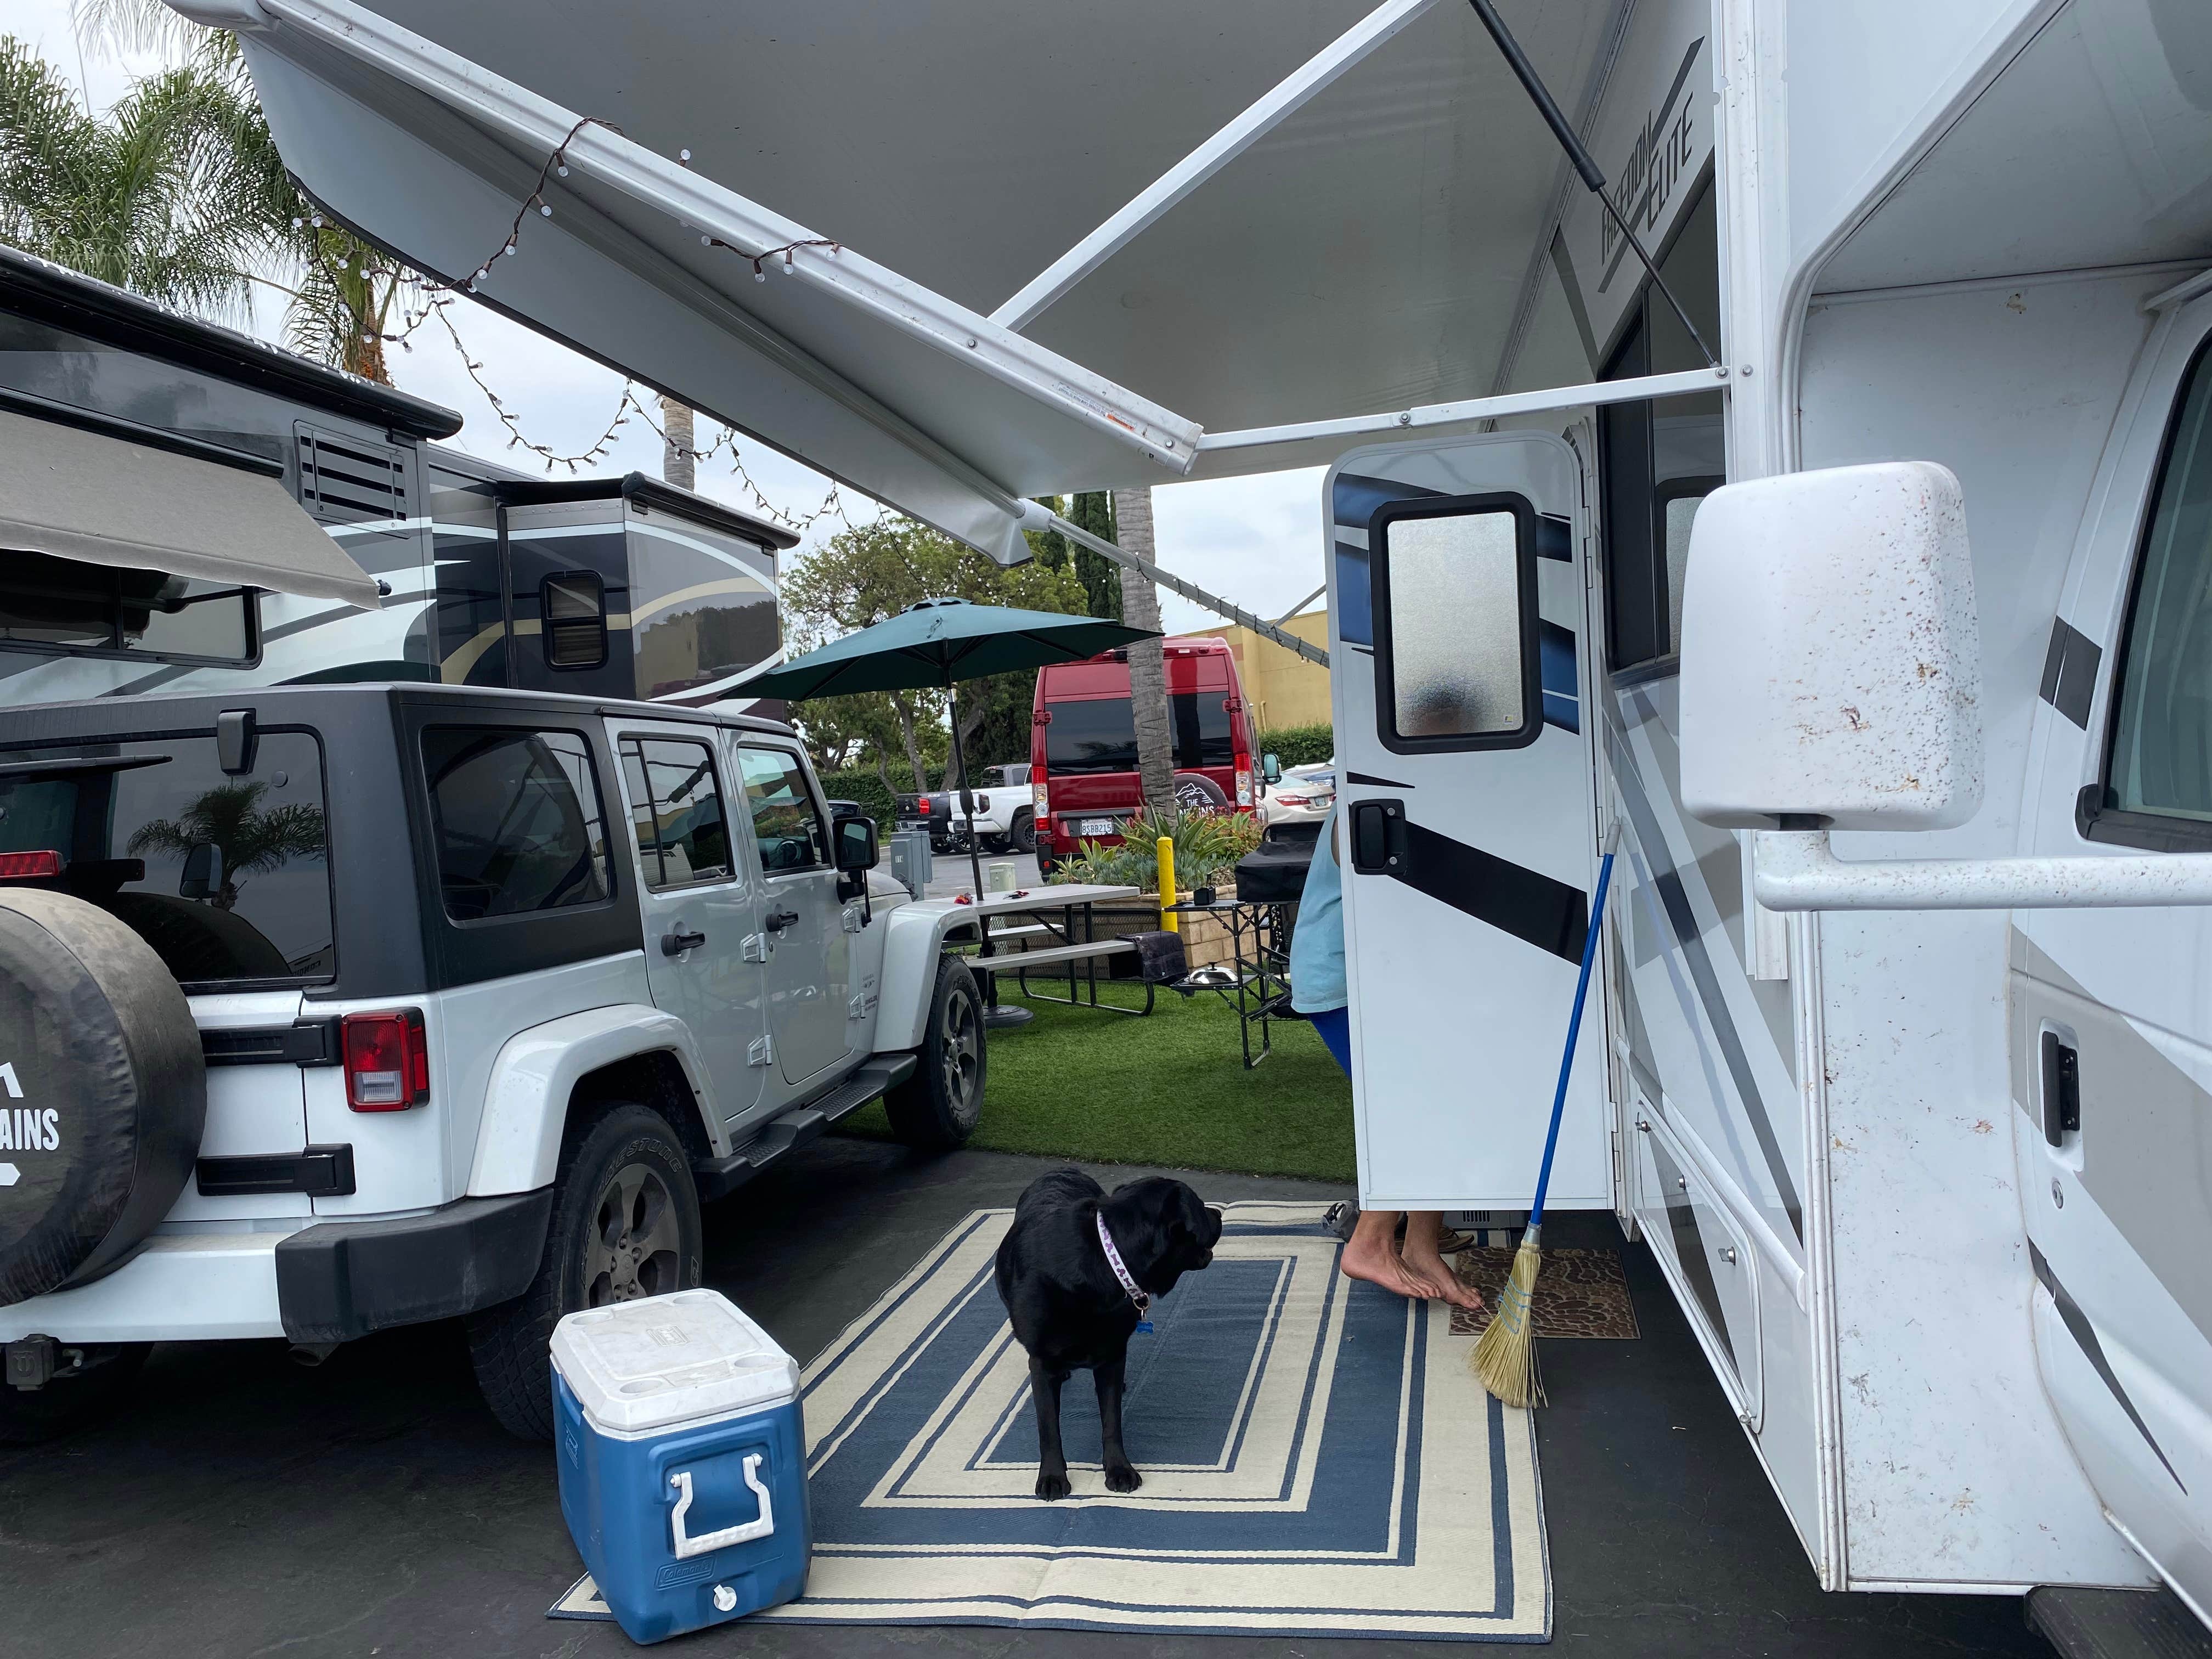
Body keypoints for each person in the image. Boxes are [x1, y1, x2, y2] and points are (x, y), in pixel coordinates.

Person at [1289, 805, 1481, 1310]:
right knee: (1409, 1108)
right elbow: (1381, 880)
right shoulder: (1360, 795)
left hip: (1374, 975)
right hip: (1343, 979)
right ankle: (1370, 1243)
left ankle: (1419, 1247)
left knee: (1434, 1099)